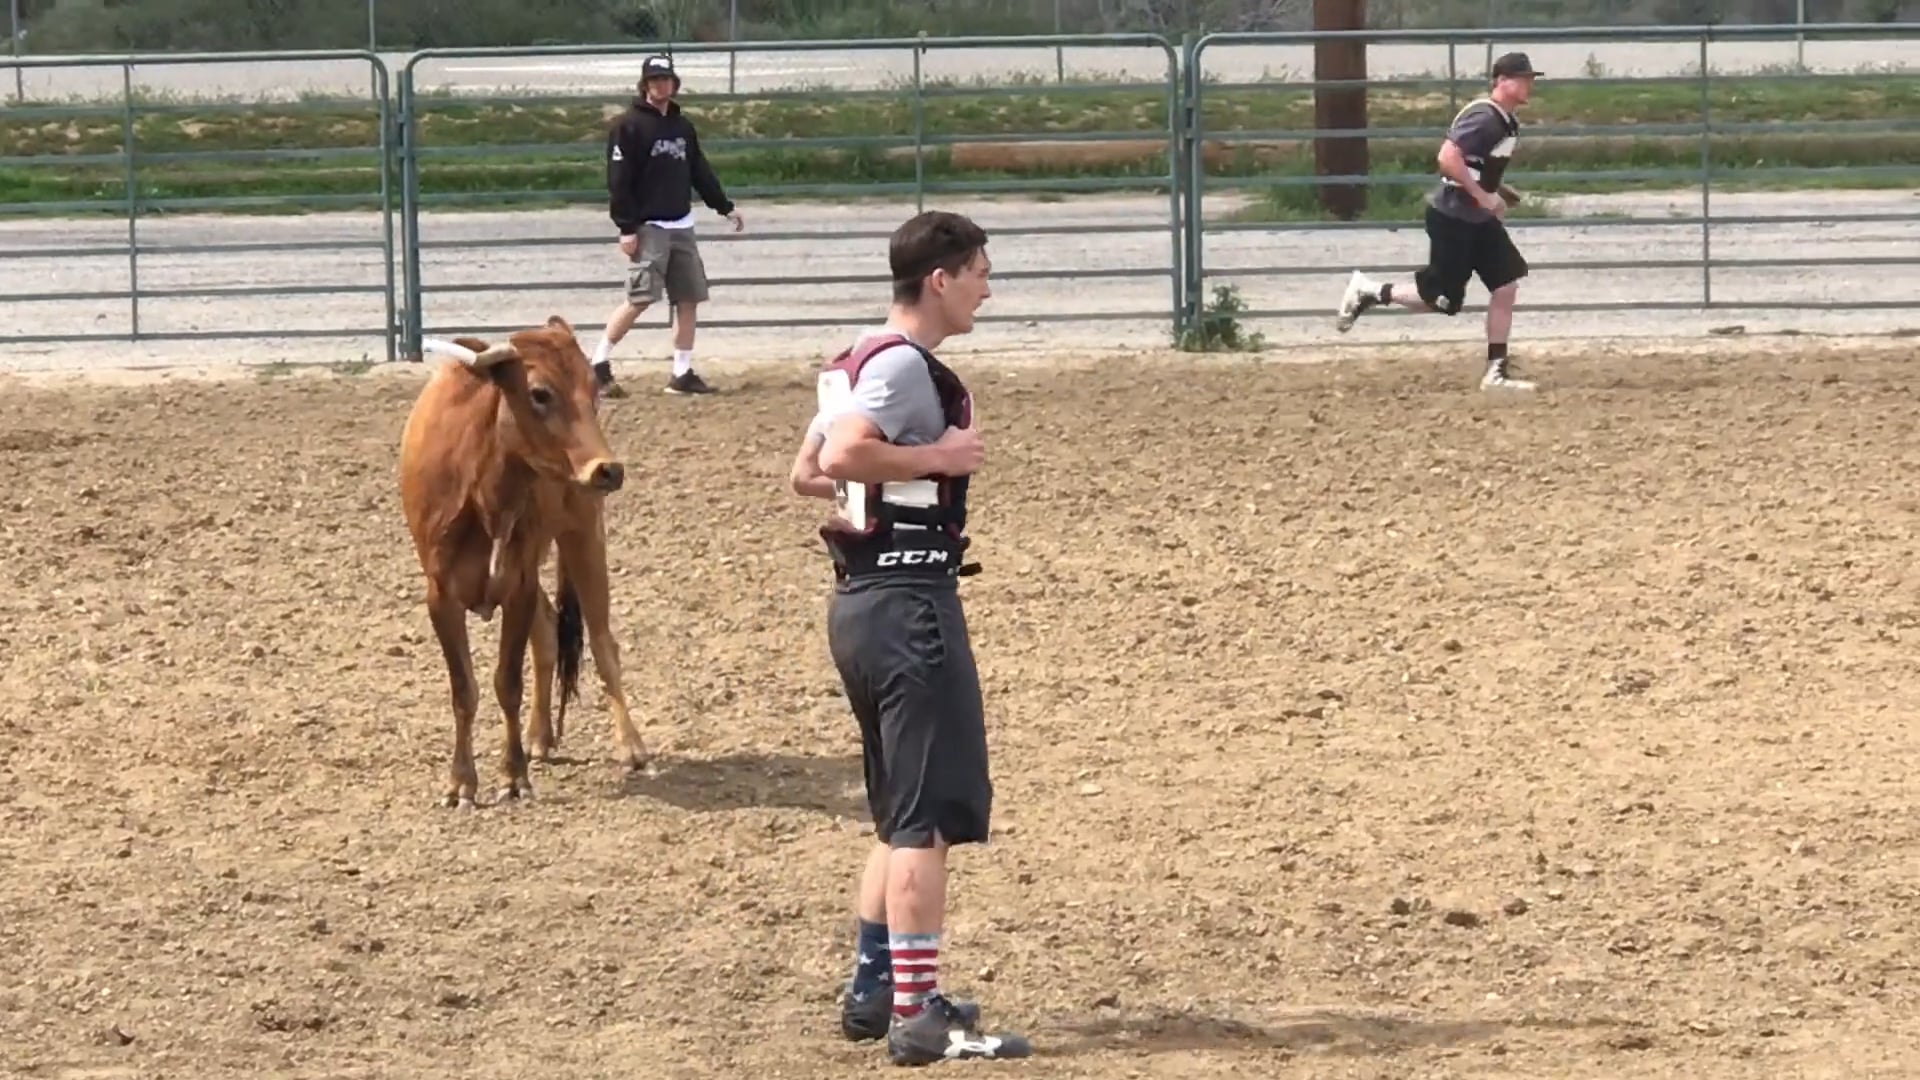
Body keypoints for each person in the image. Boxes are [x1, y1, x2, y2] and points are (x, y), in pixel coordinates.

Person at [798, 209, 1031, 1066]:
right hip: (907, 603)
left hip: (860, 602)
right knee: (925, 822)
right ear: (940, 278)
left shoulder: (852, 359)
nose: (985, 288)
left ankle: (873, 990)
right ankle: (916, 1012)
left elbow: (803, 472)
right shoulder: (901, 369)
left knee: (899, 811)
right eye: (978, 271)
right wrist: (940, 459)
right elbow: (845, 457)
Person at [1335, 51, 1543, 391]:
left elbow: (1473, 164)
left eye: (1530, 78)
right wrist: (1483, 195)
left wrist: (1497, 189)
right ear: (1501, 81)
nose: (1529, 84)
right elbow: (1448, 158)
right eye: (1523, 78)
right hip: (1455, 217)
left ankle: (1496, 371)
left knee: (1506, 285)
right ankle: (1370, 291)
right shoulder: (1486, 118)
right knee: (1440, 299)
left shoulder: (1505, 120)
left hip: (1476, 217)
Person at [591, 53, 743, 399]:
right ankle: (598, 363)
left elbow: (699, 171)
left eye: (667, 80)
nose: (662, 85)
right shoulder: (627, 127)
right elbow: (619, 180)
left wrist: (724, 207)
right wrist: (627, 227)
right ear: (645, 85)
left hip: (682, 224)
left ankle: (681, 371)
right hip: (649, 226)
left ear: (674, 84)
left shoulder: (682, 127)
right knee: (640, 297)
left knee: (688, 298)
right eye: (655, 80)